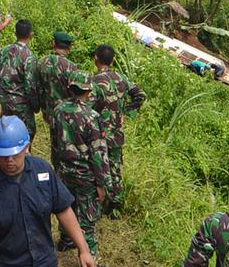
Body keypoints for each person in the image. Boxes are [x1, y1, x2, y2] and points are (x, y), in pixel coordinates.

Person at [0, 117, 98, 267]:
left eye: (15, 155)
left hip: (43, 261)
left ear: (26, 148)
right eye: (3, 156)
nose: (9, 160)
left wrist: (84, 250)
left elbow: (64, 210)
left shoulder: (43, 171)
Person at [50, 71, 111, 257]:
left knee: (66, 207)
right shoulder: (92, 117)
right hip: (86, 176)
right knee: (87, 220)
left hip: (63, 170)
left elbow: (54, 142)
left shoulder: (58, 110)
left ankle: (66, 240)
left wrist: (56, 167)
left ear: (70, 88)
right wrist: (102, 184)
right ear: (89, 90)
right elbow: (99, 154)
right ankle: (89, 258)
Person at [91, 43, 146, 214]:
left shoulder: (95, 81)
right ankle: (115, 205)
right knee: (115, 168)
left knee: (97, 165)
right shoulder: (122, 78)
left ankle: (97, 201)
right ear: (113, 60)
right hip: (117, 132)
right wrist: (126, 111)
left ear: (95, 59)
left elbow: (87, 106)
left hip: (99, 132)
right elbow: (141, 95)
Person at [0, 19, 39, 137]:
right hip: (21, 104)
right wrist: (35, 106)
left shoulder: (3, 51)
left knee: (7, 130)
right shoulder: (29, 57)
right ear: (31, 34)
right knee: (27, 133)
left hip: (5, 99)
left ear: (15, 33)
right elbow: (30, 86)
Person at [36, 31, 81, 126]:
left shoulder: (41, 62)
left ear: (54, 44)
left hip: (49, 113)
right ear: (69, 47)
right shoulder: (71, 67)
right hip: (67, 114)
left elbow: (37, 86)